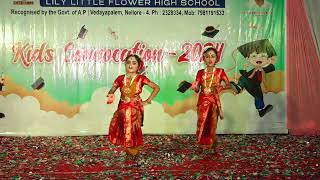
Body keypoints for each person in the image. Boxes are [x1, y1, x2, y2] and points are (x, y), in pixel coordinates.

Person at [106, 54, 160, 157]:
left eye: (134, 63)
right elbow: (112, 89)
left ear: (138, 66)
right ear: (125, 65)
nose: (131, 65)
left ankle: (132, 151)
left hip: (135, 108)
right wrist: (110, 95)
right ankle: (129, 150)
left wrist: (147, 101)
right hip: (122, 107)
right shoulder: (120, 78)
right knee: (123, 127)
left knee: (131, 129)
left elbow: (156, 88)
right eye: (128, 63)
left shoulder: (141, 78)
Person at [191, 47, 230, 152]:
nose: (210, 59)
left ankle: (211, 143)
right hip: (202, 100)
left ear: (216, 58)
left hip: (213, 100)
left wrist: (215, 88)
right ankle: (201, 143)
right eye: (207, 56)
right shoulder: (200, 72)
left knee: (212, 122)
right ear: (204, 58)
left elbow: (228, 85)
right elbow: (197, 89)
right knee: (202, 122)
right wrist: (195, 87)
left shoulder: (220, 72)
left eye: (212, 56)